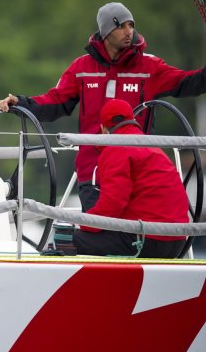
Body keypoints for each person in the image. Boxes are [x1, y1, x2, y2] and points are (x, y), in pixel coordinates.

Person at [0, 1, 206, 211]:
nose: (129, 31)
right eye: (121, 26)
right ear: (106, 31)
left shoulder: (149, 67)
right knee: (101, 235)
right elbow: (55, 101)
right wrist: (21, 102)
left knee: (131, 238)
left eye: (131, 25)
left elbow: (190, 83)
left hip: (137, 171)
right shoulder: (81, 67)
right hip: (93, 171)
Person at [72, 98, 189, 258]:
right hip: (177, 241)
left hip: (147, 240)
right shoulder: (152, 147)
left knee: (69, 241)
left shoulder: (116, 149)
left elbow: (113, 203)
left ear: (103, 129)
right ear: (133, 121)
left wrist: (83, 224)